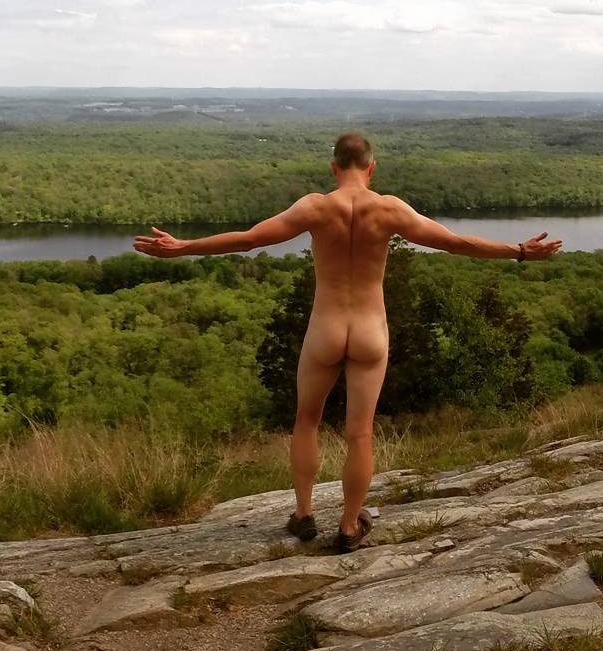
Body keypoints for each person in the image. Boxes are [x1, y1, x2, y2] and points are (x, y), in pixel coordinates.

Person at [134, 132, 562, 552]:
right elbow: (454, 243)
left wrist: (183, 246)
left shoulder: (315, 207)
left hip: (326, 328)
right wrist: (518, 251)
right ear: (372, 168)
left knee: (307, 421)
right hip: (370, 331)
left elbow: (250, 239)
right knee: (360, 433)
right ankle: (349, 524)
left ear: (333, 167)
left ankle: (304, 514)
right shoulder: (389, 209)